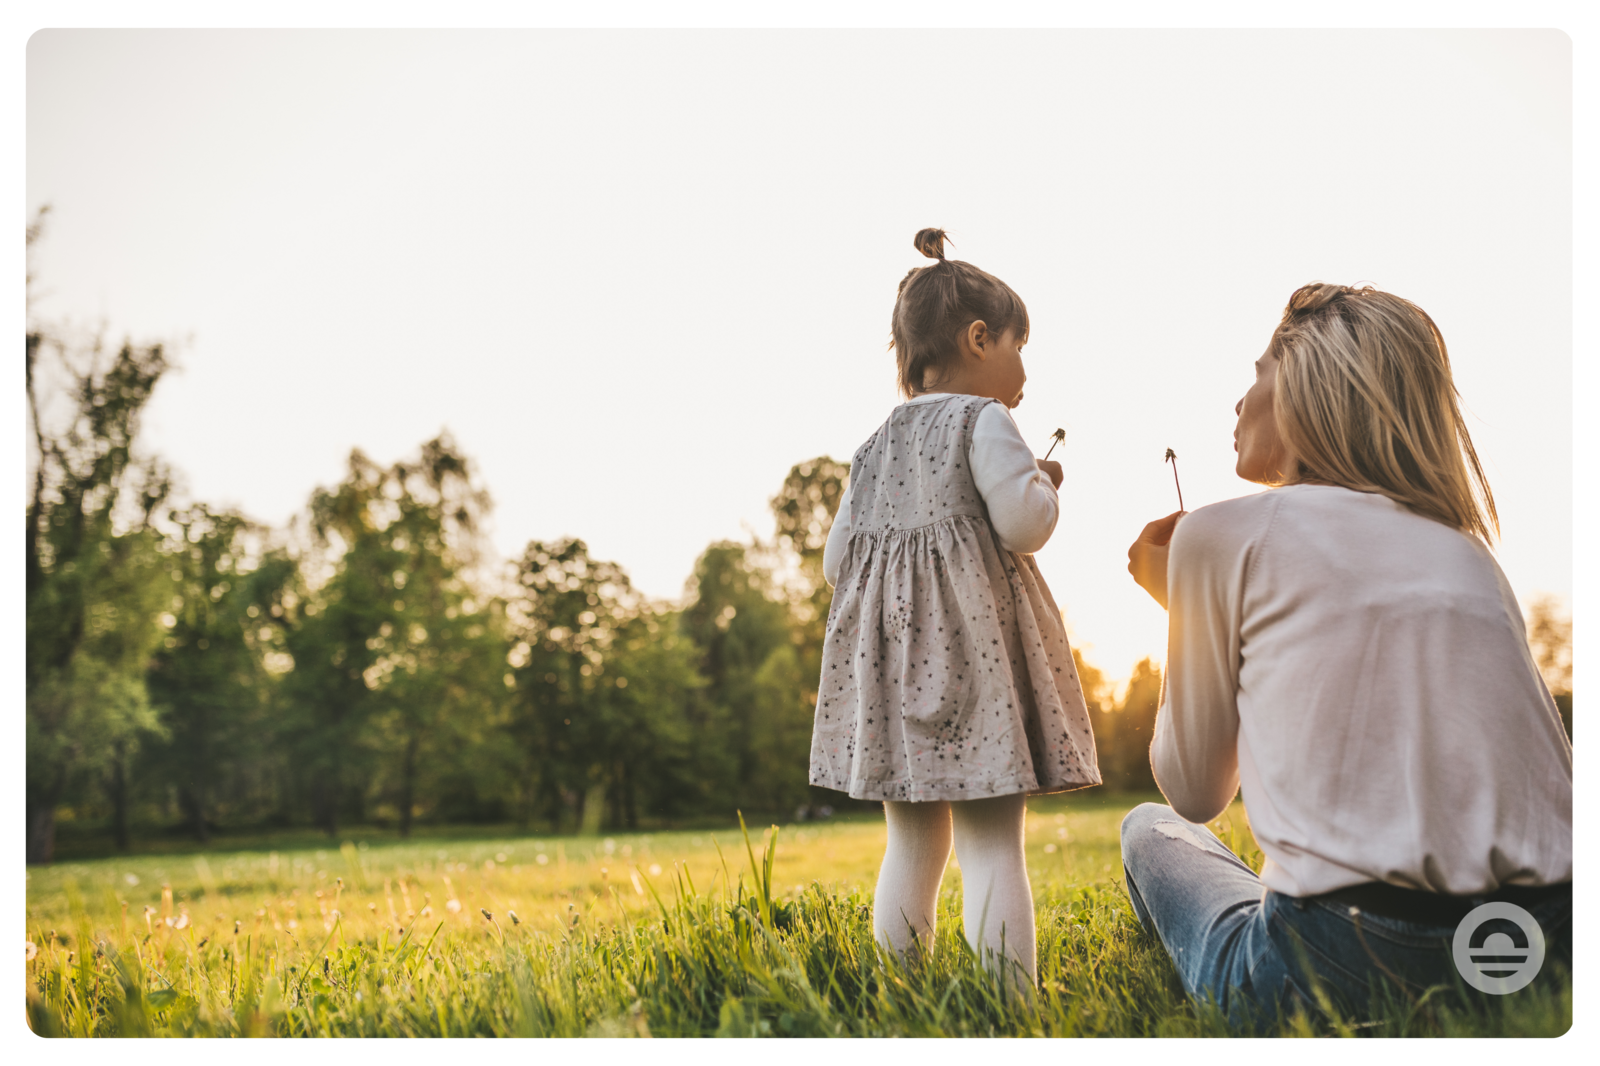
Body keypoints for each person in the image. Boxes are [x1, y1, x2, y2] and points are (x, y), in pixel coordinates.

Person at [1122, 282, 1575, 1023]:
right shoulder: (1468, 555)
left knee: (1150, 827)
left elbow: (1195, 791)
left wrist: (1182, 611)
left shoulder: (1217, 533)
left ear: (1301, 383)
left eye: (1258, 372)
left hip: (1344, 958)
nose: (1239, 402)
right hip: (1541, 944)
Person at [811, 229, 1100, 987]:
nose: (1023, 367)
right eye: (1017, 344)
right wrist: (1042, 483)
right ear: (978, 339)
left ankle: (904, 993)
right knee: (991, 843)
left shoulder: (871, 448)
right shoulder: (984, 421)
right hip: (975, 667)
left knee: (910, 845)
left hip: (892, 678)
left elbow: (837, 562)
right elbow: (1023, 526)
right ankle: (1009, 1004)